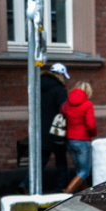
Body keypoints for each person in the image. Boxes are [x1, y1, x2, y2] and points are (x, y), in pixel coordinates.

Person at [61, 80, 97, 193]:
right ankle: (68, 191)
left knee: (79, 169)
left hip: (69, 140)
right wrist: (93, 134)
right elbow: (91, 124)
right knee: (84, 171)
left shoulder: (65, 104)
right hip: (82, 140)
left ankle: (84, 193)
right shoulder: (87, 105)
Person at [39, 63, 70, 193]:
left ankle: (26, 184)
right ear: (60, 74)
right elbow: (64, 109)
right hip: (57, 130)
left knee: (41, 161)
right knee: (61, 162)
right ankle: (60, 189)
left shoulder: (39, 86)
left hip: (41, 129)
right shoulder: (59, 90)